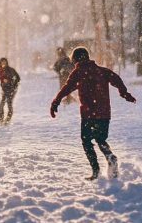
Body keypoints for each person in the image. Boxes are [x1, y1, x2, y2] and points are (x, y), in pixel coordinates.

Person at [50, 47, 137, 180]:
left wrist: (56, 101)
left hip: (88, 114)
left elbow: (67, 87)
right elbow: (116, 79)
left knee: (86, 141)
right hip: (104, 113)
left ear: (75, 59)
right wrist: (124, 93)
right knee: (101, 139)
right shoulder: (101, 71)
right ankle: (110, 157)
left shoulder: (78, 72)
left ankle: (95, 171)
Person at [0, 57, 20, 124]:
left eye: (5, 62)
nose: (3, 63)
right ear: (0, 63)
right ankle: (1, 118)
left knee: (9, 103)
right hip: (5, 90)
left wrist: (11, 83)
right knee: (1, 105)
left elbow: (17, 78)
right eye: (2, 62)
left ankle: (8, 118)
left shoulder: (10, 70)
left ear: (7, 63)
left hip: (12, 89)